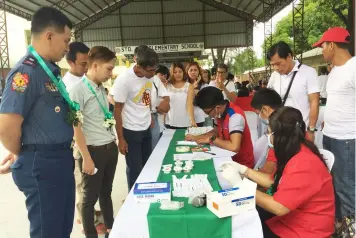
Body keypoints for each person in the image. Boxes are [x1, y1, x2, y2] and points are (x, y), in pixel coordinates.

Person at [0, 7, 75, 238]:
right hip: (43, 164)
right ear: (49, 36)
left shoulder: (49, 72)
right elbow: (6, 125)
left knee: (62, 228)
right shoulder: (26, 72)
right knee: (48, 232)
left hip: (59, 159)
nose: (67, 47)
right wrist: (26, 151)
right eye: (66, 40)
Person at [221, 107, 335, 238]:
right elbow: (276, 181)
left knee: (242, 228)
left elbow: (279, 207)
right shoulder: (296, 148)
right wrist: (244, 171)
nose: (268, 137)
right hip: (294, 217)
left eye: (269, 133)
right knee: (242, 216)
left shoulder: (303, 162)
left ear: (281, 136)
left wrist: (241, 185)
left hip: (306, 230)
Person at [68, 46, 117, 238]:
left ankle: (112, 229)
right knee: (89, 199)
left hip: (109, 148)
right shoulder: (77, 91)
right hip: (92, 151)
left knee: (106, 193)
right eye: (109, 69)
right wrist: (86, 158)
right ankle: (90, 234)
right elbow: (76, 127)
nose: (111, 73)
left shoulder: (100, 88)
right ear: (95, 65)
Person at [313, 27, 355, 235]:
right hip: (330, 135)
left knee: (346, 188)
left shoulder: (354, 68)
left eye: (322, 46)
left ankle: (352, 230)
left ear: (331, 45)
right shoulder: (335, 72)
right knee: (334, 186)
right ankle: (340, 226)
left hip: (347, 139)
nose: (321, 51)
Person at [112, 45, 159, 189]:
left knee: (147, 166)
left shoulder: (149, 77)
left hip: (145, 127)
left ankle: (146, 196)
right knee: (135, 170)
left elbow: (146, 96)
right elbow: (117, 110)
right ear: (139, 66)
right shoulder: (124, 80)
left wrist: (149, 114)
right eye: (150, 70)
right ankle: (133, 202)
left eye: (155, 69)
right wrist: (121, 138)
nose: (153, 73)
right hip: (131, 130)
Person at [187, 86, 254, 168]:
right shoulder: (219, 113)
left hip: (241, 165)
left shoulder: (235, 116)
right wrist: (196, 138)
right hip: (226, 156)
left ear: (217, 107)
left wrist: (212, 139)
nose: (208, 115)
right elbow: (215, 132)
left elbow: (234, 147)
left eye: (208, 112)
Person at [267, 41, 320, 142]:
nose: (276, 68)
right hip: (280, 131)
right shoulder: (274, 76)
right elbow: (269, 100)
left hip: (300, 132)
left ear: (289, 56)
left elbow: (314, 102)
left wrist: (311, 130)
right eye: (273, 65)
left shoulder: (308, 72)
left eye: (278, 63)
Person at [250, 88, 282, 173]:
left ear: (265, 109)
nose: (259, 117)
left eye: (258, 113)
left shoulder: (277, 132)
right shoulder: (288, 121)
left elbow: (268, 172)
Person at [165, 62, 198, 129]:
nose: (178, 74)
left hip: (185, 122)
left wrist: (192, 120)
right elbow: (164, 103)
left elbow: (190, 104)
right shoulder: (167, 86)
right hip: (170, 122)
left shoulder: (189, 86)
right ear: (171, 73)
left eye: (180, 71)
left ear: (183, 73)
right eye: (175, 72)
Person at [151, 66, 170, 150]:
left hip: (161, 123)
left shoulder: (163, 86)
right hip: (151, 120)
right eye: (161, 75)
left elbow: (167, 104)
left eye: (165, 76)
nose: (163, 77)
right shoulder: (152, 82)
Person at [186, 62, 206, 127]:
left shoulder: (204, 86)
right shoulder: (183, 85)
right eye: (191, 70)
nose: (193, 72)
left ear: (199, 72)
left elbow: (202, 101)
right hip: (185, 117)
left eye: (195, 70)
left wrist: (194, 88)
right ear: (187, 72)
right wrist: (193, 87)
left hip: (199, 118)